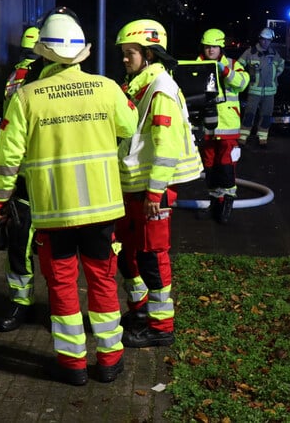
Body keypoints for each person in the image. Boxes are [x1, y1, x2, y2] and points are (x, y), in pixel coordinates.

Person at [0, 12, 137, 386]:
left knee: (62, 286)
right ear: (82, 53)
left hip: (54, 213)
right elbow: (128, 126)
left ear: (42, 53)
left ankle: (72, 366)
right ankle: (110, 361)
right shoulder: (107, 88)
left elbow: (7, 157)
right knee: (103, 282)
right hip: (102, 208)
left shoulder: (26, 97)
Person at [115, 18, 203, 348]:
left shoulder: (160, 89)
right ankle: (139, 311)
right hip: (134, 187)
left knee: (152, 256)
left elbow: (166, 146)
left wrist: (155, 191)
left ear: (149, 54)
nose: (125, 58)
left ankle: (161, 326)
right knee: (130, 252)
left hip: (152, 191)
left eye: (131, 52)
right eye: (124, 52)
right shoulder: (139, 85)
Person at [0, 19, 68, 333]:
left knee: (59, 249)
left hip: (61, 177)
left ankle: (60, 305)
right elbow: (9, 130)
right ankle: (21, 301)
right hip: (26, 175)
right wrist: (2, 189)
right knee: (19, 242)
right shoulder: (21, 76)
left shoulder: (73, 79)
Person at [196, 28, 249, 223]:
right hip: (207, 126)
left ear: (221, 48)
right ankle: (215, 202)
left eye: (214, 47)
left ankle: (227, 204)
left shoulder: (233, 65)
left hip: (228, 126)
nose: (210, 50)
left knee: (226, 166)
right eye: (207, 46)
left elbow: (242, 83)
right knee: (209, 166)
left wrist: (225, 71)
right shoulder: (196, 66)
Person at [238, 27, 284, 148]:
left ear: (271, 41)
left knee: (266, 116)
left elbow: (281, 63)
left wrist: (276, 74)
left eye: (268, 40)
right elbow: (239, 65)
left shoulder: (274, 53)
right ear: (260, 39)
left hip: (270, 91)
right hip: (254, 90)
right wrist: (245, 77)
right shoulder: (250, 52)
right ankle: (243, 138)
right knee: (249, 115)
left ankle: (262, 138)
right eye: (263, 39)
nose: (265, 42)